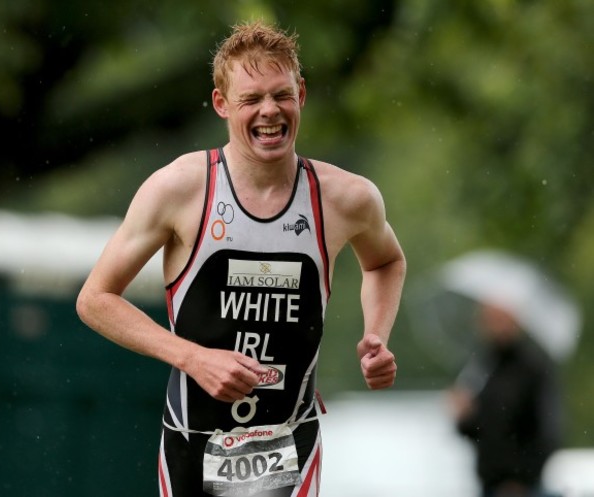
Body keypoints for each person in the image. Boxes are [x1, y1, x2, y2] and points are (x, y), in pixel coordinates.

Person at [76, 20, 406, 497]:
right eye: (251, 99)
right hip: (193, 440)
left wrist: (376, 334)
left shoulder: (345, 198)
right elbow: (95, 299)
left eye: (281, 95)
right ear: (221, 104)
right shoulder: (180, 188)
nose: (269, 112)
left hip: (290, 439)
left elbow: (385, 262)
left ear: (302, 95)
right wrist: (194, 358)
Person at [448, 301, 562, 497]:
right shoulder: (484, 365)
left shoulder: (533, 367)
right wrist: (463, 415)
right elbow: (477, 431)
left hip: (522, 487)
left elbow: (547, 429)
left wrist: (520, 479)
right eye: (490, 319)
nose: (496, 325)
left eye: (501, 318)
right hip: (489, 484)